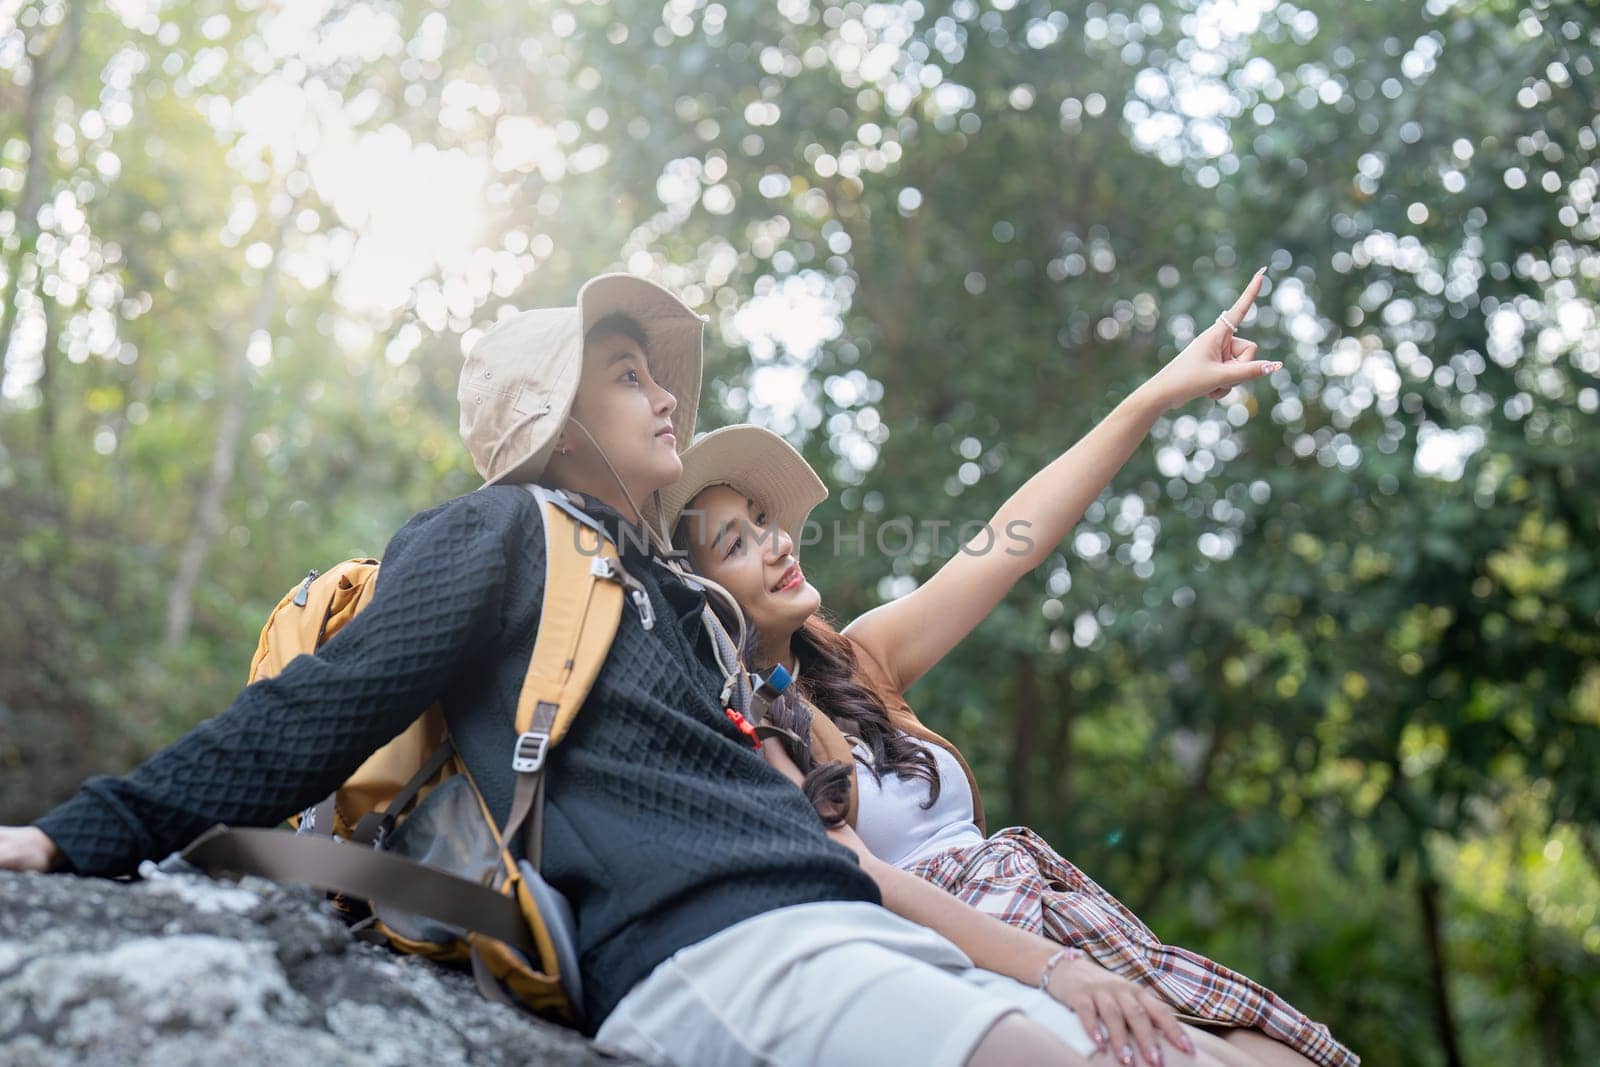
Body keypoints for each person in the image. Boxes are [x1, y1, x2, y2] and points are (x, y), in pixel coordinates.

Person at [0, 272, 1194, 1067]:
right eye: (628, 373)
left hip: (841, 933)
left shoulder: (678, 604)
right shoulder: (498, 531)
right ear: (557, 419)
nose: (666, 389)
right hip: (724, 955)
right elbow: (323, 704)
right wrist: (72, 836)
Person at [662, 270, 1358, 1067]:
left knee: (1283, 1056)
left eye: (762, 520)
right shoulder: (745, 728)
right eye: (736, 543)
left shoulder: (859, 657)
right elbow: (866, 880)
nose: (776, 541)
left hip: (1053, 913)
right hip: (971, 962)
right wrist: (1058, 971)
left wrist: (1156, 394)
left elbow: (1010, 540)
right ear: (700, 592)